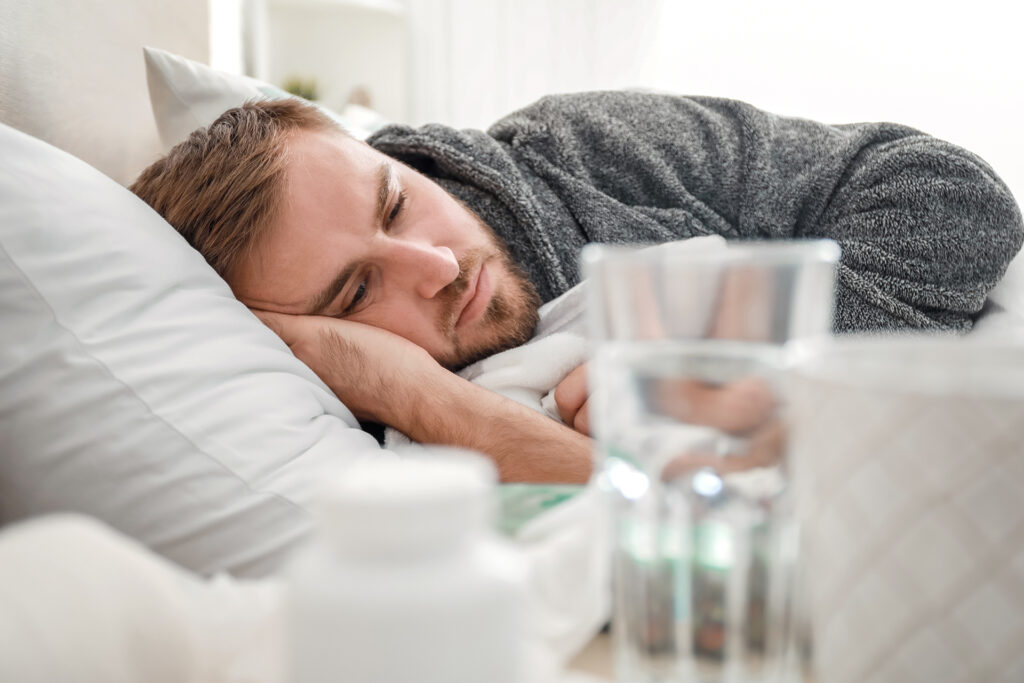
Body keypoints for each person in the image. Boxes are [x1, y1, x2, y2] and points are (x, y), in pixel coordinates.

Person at [130, 93, 1024, 482]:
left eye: (397, 202)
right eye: (357, 293)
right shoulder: (334, 418)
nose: (436, 266)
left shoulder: (582, 146)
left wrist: (735, 372)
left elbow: (945, 195)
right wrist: (413, 391)